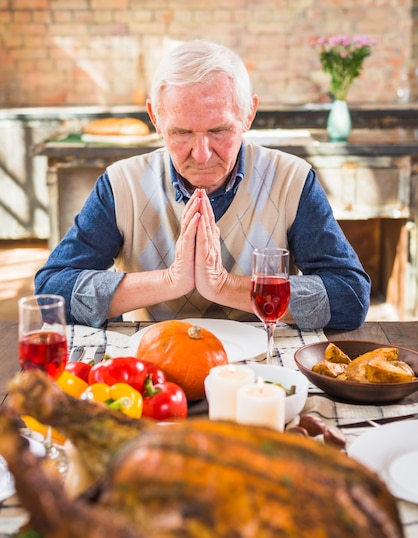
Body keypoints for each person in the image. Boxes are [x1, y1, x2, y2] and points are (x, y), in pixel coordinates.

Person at [35, 39, 370, 330]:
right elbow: (51, 290)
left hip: (262, 369)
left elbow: (350, 297)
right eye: (181, 133)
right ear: (155, 118)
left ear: (248, 114)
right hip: (154, 369)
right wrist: (170, 281)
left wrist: (224, 287)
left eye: (219, 131)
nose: (202, 154)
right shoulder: (121, 184)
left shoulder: (292, 180)